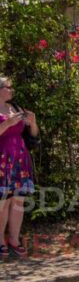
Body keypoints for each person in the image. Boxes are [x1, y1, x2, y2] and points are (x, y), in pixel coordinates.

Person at [0, 76, 38, 257]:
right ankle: (0, 240)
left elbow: (33, 135)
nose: (12, 90)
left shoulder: (15, 108)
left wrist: (33, 122)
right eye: (8, 87)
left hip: (20, 159)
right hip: (2, 160)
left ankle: (14, 239)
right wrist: (7, 123)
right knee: (3, 202)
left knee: (18, 201)